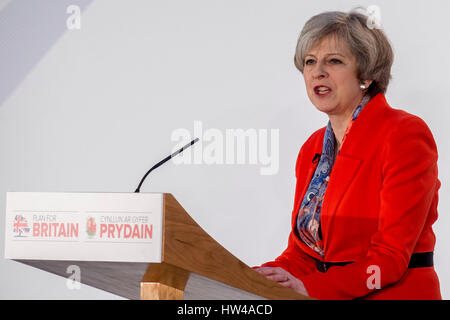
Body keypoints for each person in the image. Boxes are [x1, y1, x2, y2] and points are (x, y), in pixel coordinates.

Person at [254, 9, 441, 300]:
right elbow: (304, 254)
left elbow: (389, 259)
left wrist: (310, 288)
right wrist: (257, 277)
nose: (318, 72)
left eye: (334, 61)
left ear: (366, 73)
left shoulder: (404, 135)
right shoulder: (311, 148)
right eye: (310, 62)